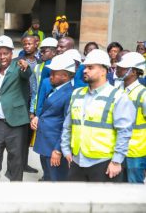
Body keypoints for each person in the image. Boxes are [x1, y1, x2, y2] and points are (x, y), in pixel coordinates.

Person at [61, 49, 136, 182]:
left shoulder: (117, 97)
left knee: (103, 202)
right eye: (85, 67)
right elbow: (68, 125)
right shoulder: (77, 93)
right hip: (77, 162)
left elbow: (124, 132)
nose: (85, 70)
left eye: (90, 67)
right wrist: (66, 150)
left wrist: (117, 161)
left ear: (103, 71)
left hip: (104, 163)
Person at [0, 35, 31, 181]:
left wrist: (26, 67)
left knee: (16, 162)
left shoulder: (19, 67)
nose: (2, 57)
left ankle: (14, 197)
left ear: (12, 53)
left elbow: (26, 74)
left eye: (6, 53)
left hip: (16, 124)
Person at [31, 54, 75, 181]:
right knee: (49, 177)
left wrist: (58, 149)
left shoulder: (69, 94)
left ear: (65, 76)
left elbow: (67, 125)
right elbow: (49, 112)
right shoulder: (55, 89)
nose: (50, 76)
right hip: (46, 144)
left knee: (56, 181)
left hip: (54, 147)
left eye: (54, 73)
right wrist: (38, 118)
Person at [115, 52, 146, 183]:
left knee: (134, 191)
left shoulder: (143, 94)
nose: (118, 70)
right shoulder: (117, 90)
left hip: (135, 152)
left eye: (122, 68)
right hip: (118, 149)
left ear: (133, 72)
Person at [17, 35, 41, 174]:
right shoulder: (18, 62)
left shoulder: (39, 63)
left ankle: (24, 164)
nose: (27, 46)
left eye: (30, 44)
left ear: (36, 44)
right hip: (20, 101)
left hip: (33, 101)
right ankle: (16, 165)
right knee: (18, 135)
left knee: (27, 136)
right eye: (24, 44)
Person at [33, 37, 58, 117]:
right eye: (41, 51)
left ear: (54, 52)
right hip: (38, 105)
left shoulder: (50, 65)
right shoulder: (39, 66)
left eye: (45, 51)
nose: (41, 53)